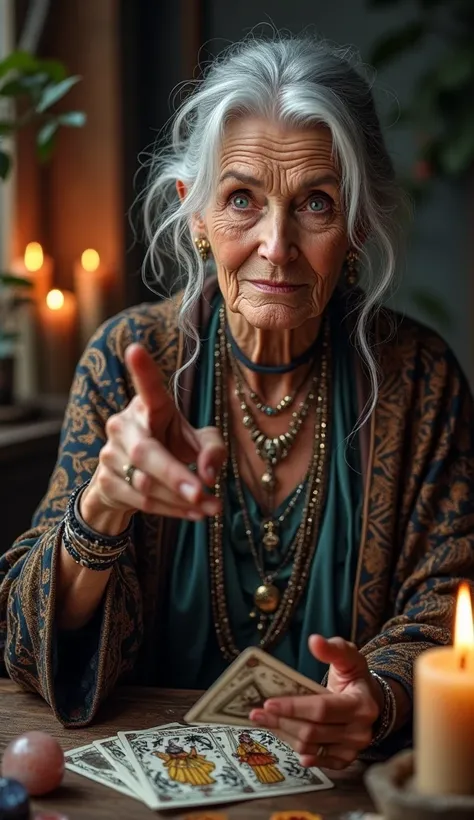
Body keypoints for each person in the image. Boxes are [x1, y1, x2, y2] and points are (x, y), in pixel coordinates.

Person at [1, 34, 473, 772]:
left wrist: (376, 695)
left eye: (315, 202)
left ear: (354, 225)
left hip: (344, 784)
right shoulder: (127, 363)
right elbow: (27, 649)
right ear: (195, 214)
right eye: (242, 199)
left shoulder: (418, 378)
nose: (276, 245)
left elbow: (451, 596)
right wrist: (101, 508)